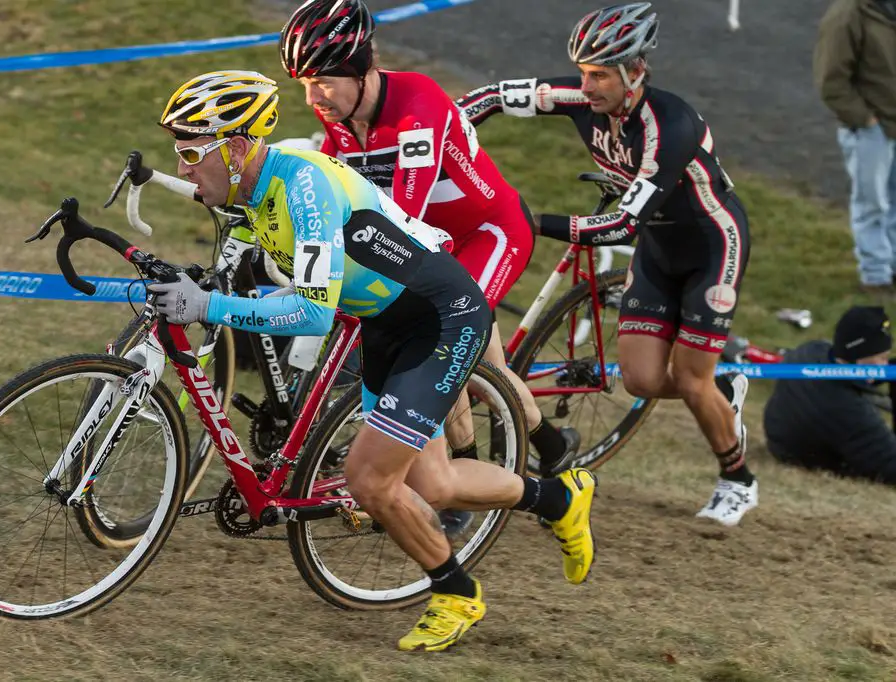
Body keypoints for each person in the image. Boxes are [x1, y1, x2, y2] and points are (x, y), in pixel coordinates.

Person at [145, 70, 598, 652]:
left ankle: (457, 592)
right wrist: (210, 294)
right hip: (388, 322)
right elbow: (295, 290)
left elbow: (310, 314)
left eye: (189, 152)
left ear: (234, 149)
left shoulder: (302, 186)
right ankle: (562, 497)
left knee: (369, 480)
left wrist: (211, 305)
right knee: (430, 483)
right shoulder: (251, 193)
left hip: (441, 318)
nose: (182, 168)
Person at [456, 2, 758, 526]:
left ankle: (738, 479)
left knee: (689, 379)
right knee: (641, 381)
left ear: (635, 71)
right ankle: (723, 390)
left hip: (713, 245)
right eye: (583, 72)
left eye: (599, 75)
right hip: (661, 252)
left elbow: (620, 228)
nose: (586, 86)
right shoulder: (581, 96)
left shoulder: (671, 125)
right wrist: (438, 142)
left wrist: (529, 221)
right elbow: (487, 98)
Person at [277, 0, 582, 495]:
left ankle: (500, 464)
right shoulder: (338, 114)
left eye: (324, 80)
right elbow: (332, 188)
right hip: (428, 244)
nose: (314, 97)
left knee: (454, 347)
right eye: (304, 84)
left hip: (487, 233)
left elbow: (404, 214)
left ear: (361, 67)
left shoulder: (418, 106)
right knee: (473, 360)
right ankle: (517, 452)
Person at [813, 0, 896, 296]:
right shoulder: (849, 14)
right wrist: (865, 120)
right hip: (870, 130)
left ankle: (891, 265)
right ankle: (875, 277)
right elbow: (831, 79)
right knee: (872, 203)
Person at [764, 306, 896, 483]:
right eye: (880, 358)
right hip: (796, 452)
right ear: (856, 353)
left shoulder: (812, 350)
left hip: (779, 433)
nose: (884, 366)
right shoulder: (849, 411)